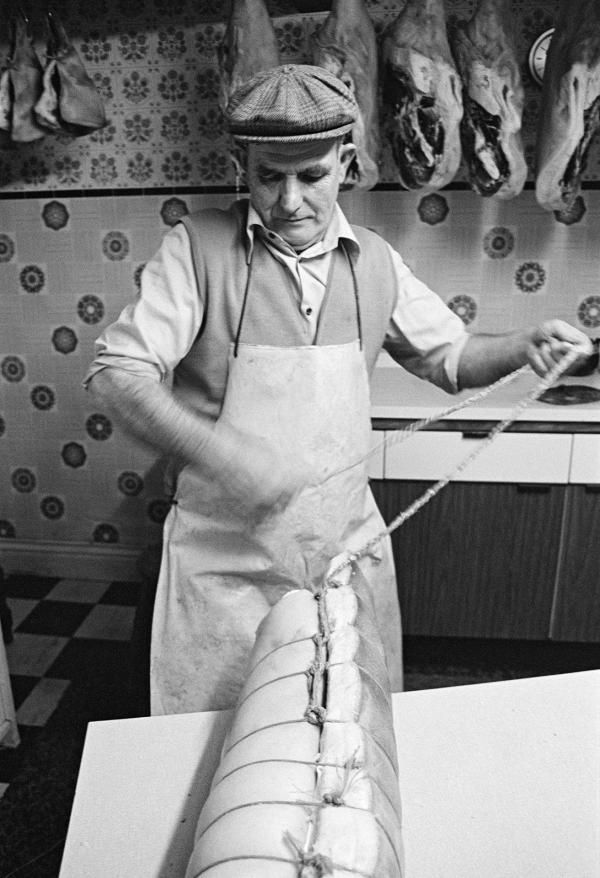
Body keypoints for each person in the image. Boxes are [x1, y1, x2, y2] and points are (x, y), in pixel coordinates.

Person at [85, 64, 592, 715]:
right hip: (225, 569)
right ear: (242, 163)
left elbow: (454, 358)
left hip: (343, 557)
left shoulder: (375, 260)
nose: (289, 199)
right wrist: (226, 455)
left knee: (346, 740)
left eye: (312, 175)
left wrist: (523, 346)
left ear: (347, 162)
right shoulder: (198, 250)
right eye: (269, 176)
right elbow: (117, 377)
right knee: (224, 742)